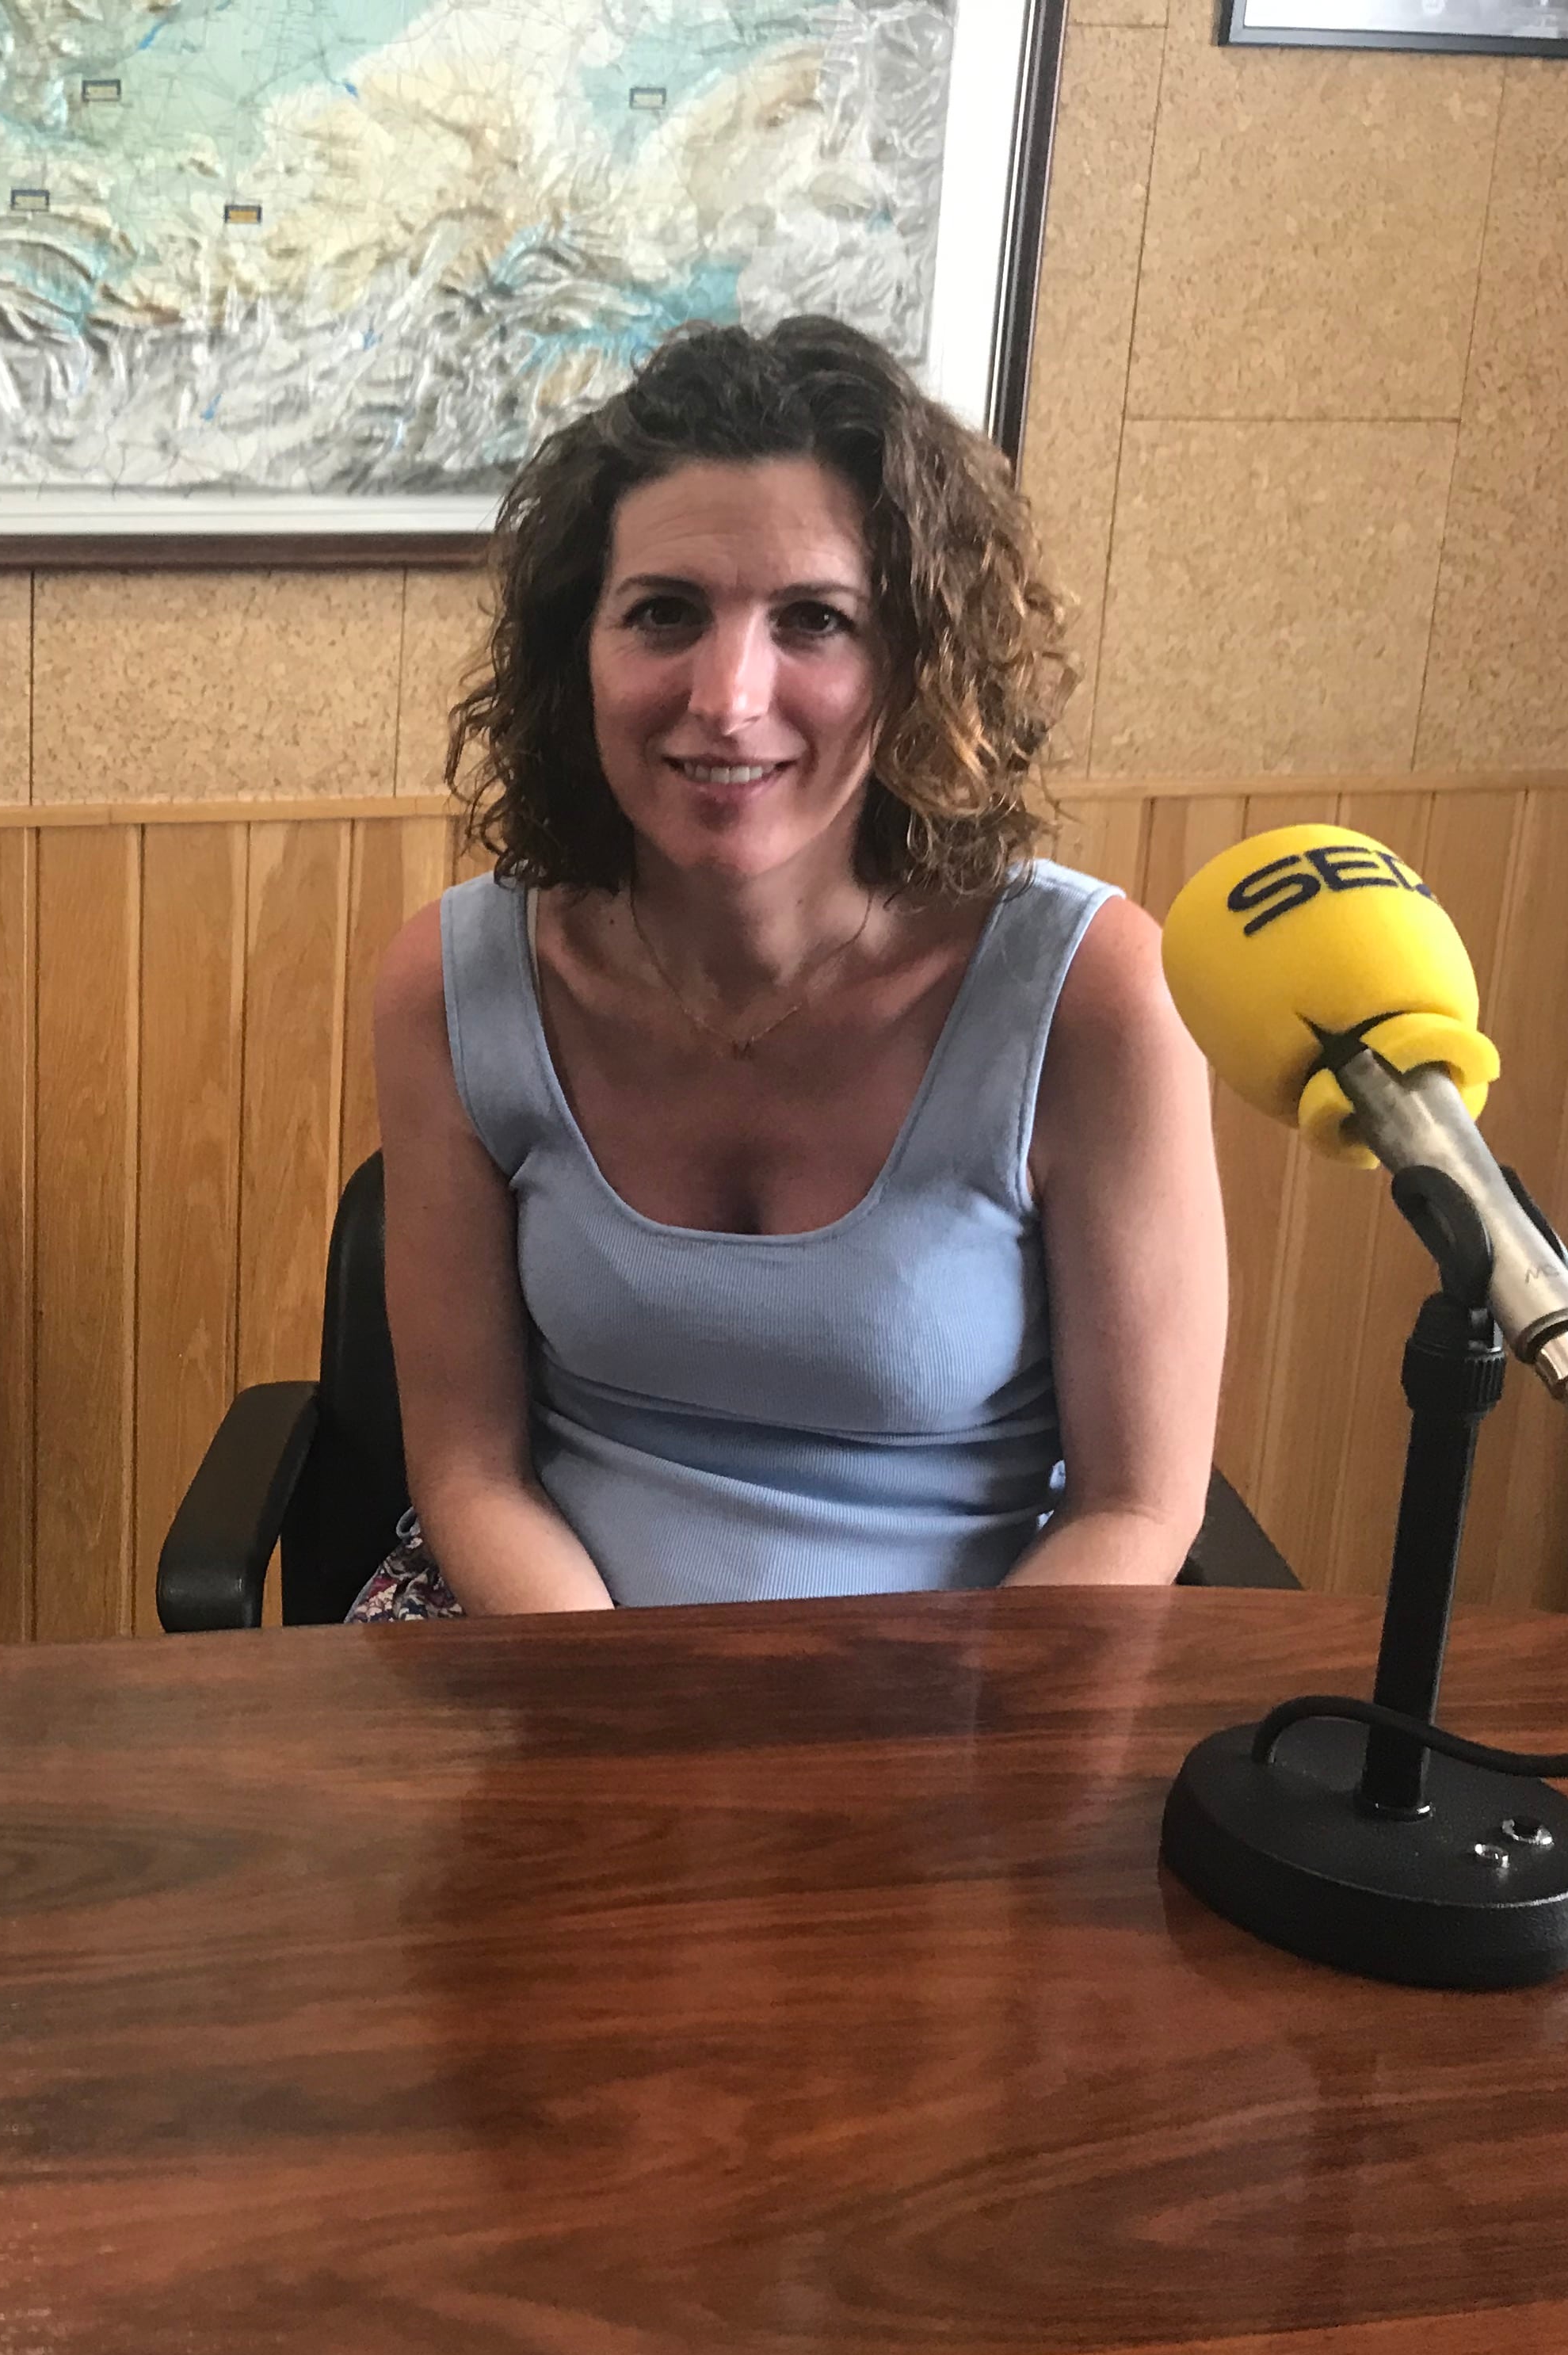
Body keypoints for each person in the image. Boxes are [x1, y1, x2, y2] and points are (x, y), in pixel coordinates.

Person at [357, 318, 1225, 1620]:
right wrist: (633, 1736)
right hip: (553, 1664)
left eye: (814, 620)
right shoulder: (452, 978)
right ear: (572, 653)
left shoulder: (1093, 994)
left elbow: (1136, 1509)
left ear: (915, 663)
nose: (727, 695)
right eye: (664, 614)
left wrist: (896, 1780)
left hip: (961, 1704)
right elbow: (471, 1469)